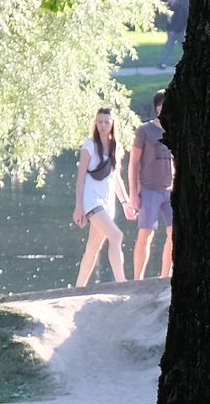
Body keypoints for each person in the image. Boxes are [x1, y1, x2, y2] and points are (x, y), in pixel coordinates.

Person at [71, 105, 131, 287]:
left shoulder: (116, 147)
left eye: (106, 122)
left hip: (107, 203)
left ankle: (78, 288)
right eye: (99, 122)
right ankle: (121, 282)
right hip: (92, 201)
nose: (103, 125)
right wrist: (78, 207)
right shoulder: (89, 146)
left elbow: (116, 178)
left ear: (112, 124)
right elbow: (81, 179)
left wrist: (125, 202)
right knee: (116, 236)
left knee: (92, 248)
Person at [129, 89, 176, 279]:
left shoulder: (175, 130)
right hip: (149, 190)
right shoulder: (144, 131)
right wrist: (133, 193)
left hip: (170, 190)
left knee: (175, 233)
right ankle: (138, 280)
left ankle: (165, 277)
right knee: (146, 233)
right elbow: (133, 163)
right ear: (158, 108)